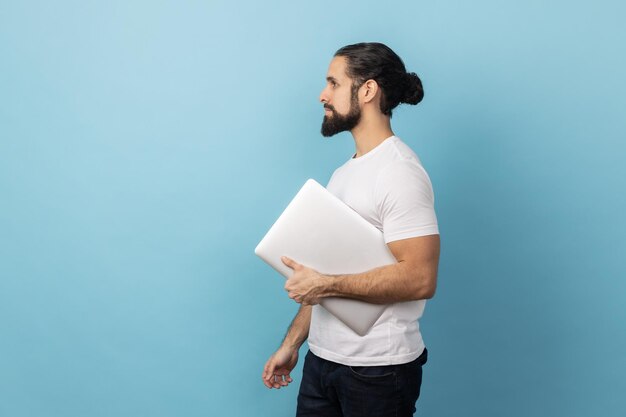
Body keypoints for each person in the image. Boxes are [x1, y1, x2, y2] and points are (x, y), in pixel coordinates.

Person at [262, 42, 440, 417]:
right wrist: (293, 343)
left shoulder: (400, 172)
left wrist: (324, 284)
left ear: (368, 90)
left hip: (378, 371)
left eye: (333, 83)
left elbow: (420, 278)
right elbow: (323, 274)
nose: (322, 95)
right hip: (322, 363)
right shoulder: (343, 175)